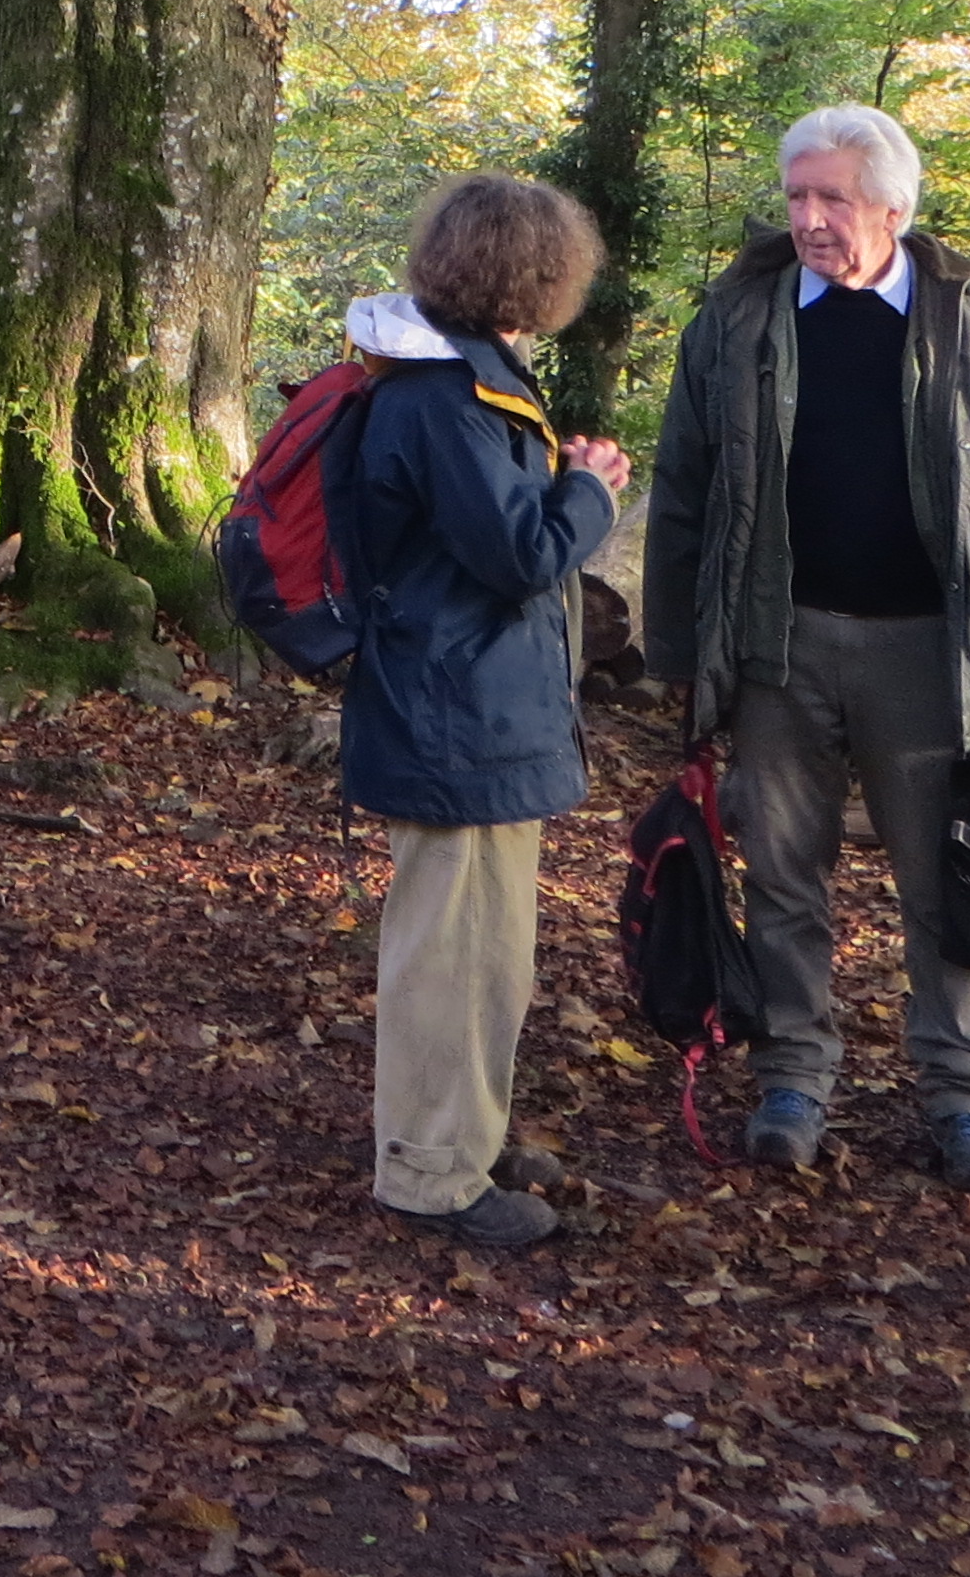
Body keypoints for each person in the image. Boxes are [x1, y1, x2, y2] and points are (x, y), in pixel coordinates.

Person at [640, 104, 970, 1199]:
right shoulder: (739, 315)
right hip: (777, 646)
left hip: (933, 654)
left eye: (831, 198)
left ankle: (965, 1095)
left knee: (949, 883)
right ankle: (792, 1079)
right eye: (796, 197)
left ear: (892, 208)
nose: (808, 219)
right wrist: (681, 651)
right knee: (784, 876)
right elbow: (684, 485)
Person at [335, 173, 633, 1249]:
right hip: (449, 715)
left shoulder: (466, 381)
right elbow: (518, 554)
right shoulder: (442, 399)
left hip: (480, 711)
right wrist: (590, 488)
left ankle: (469, 1132)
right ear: (542, 278)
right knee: (450, 955)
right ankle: (429, 1170)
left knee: (493, 950)